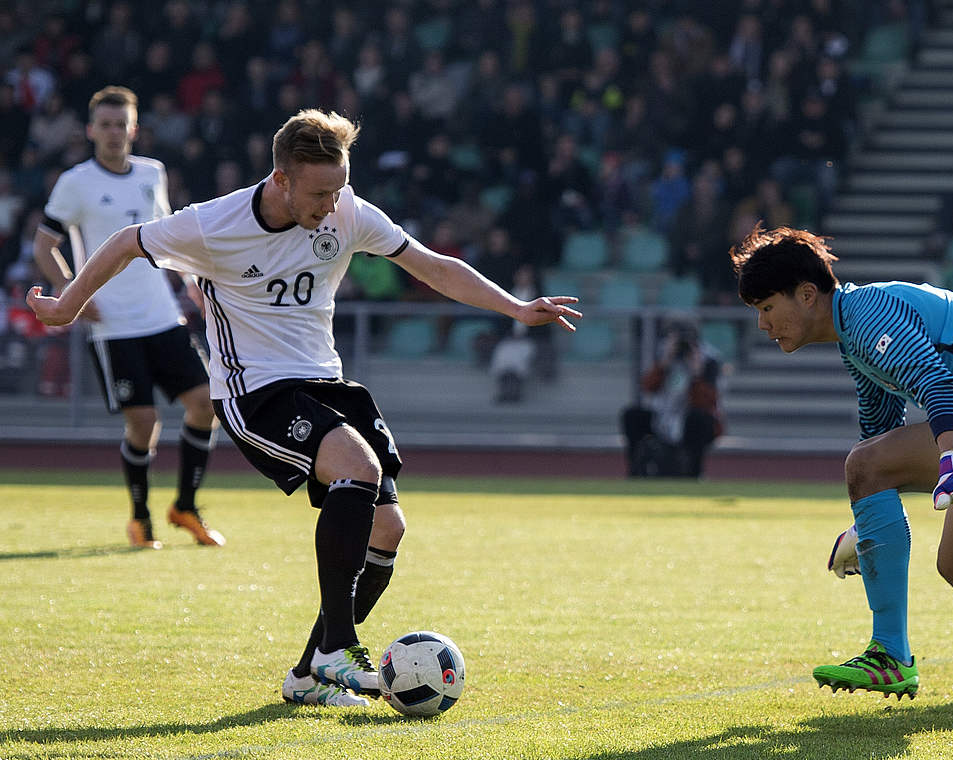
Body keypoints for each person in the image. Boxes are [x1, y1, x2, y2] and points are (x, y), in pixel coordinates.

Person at [27, 109, 582, 708]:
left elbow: (429, 265)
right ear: (281, 179)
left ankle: (306, 675)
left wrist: (516, 308)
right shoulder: (215, 224)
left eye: (340, 187)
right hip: (253, 392)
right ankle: (338, 650)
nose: (332, 203)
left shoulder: (347, 212)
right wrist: (69, 304)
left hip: (327, 384)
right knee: (358, 471)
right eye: (320, 192)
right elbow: (125, 241)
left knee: (389, 530)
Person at [729, 225, 953, 723]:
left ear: (807, 294)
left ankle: (890, 654)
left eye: (767, 308)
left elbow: (939, 389)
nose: (762, 324)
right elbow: (881, 443)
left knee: (864, 465)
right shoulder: (854, 335)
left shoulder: (865, 316)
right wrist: (867, 529)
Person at [32, 85, 221, 551]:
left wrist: (192, 281)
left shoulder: (151, 173)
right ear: (91, 130)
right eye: (107, 125)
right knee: (144, 421)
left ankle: (186, 507)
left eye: (123, 125)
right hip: (113, 325)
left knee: (206, 404)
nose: (115, 133)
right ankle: (140, 519)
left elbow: (167, 238)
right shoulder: (76, 181)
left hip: (161, 314)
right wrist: (74, 291)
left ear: (134, 129)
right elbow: (44, 245)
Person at [620, 321, 724, 478]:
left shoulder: (709, 360)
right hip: (662, 415)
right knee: (632, 415)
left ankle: (694, 472)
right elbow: (647, 387)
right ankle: (636, 470)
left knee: (699, 419)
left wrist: (696, 373)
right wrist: (664, 363)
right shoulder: (663, 354)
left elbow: (707, 401)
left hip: (691, 418)